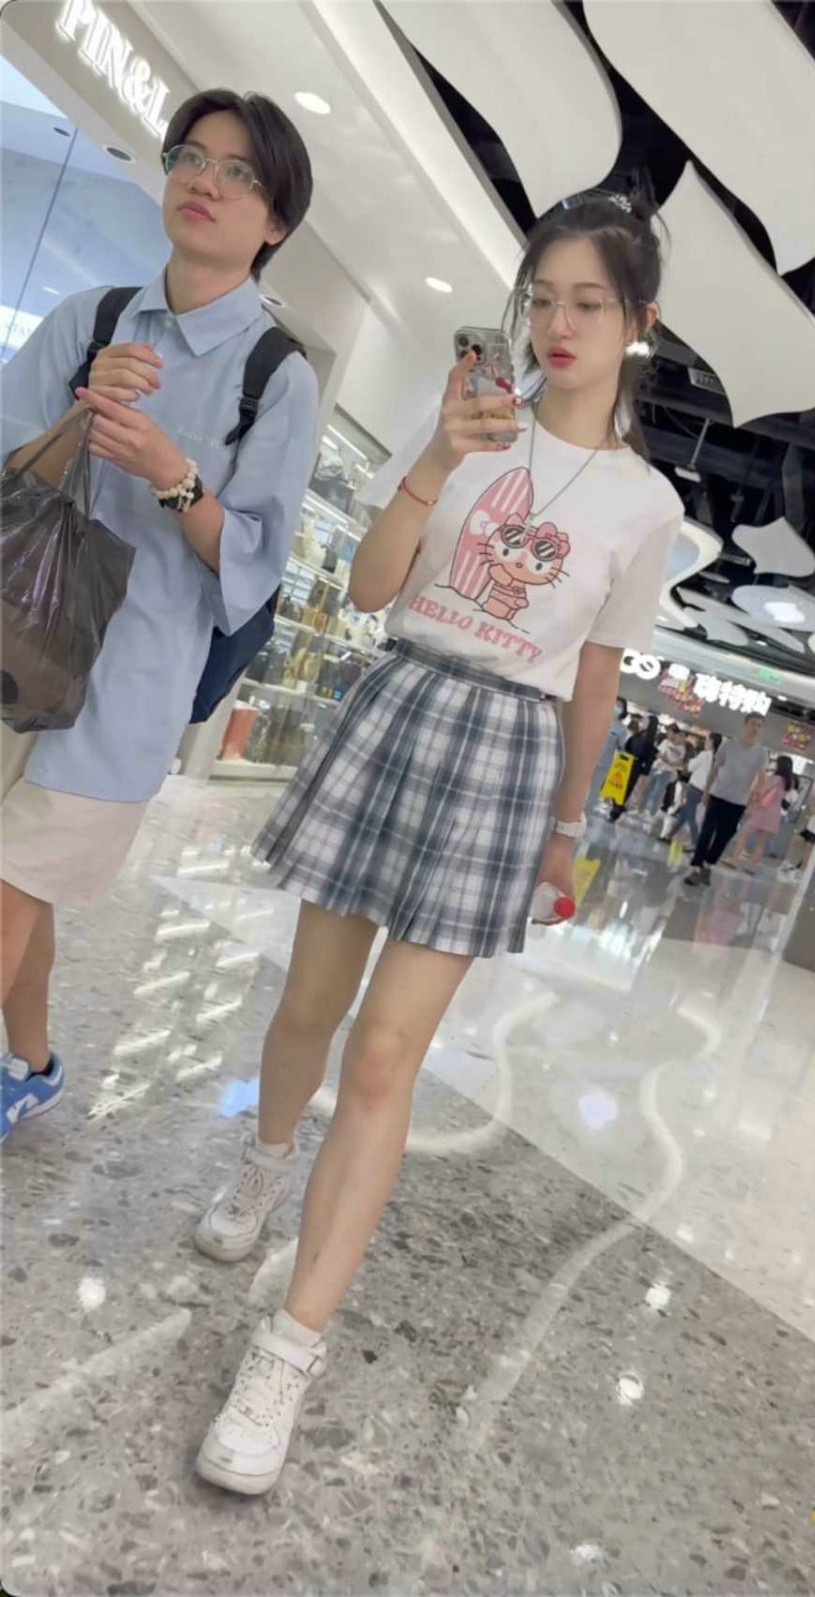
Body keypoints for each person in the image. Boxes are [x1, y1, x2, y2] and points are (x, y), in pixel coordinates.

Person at [191, 190, 684, 1496]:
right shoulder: (469, 420)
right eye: (543, 297)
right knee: (309, 1006)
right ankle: (264, 1165)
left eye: (590, 302)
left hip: (510, 751)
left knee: (387, 1051)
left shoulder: (647, 504)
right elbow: (368, 589)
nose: (559, 324)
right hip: (401, 699)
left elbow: (595, 677)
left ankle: (289, 1350)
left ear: (638, 321)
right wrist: (430, 464)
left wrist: (568, 831)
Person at [0, 90, 318, 1142]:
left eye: (240, 173)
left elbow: (252, 568)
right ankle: (30, 1064)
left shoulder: (277, 377)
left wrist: (177, 476)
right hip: (11, 649)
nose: (205, 182)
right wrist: (80, 411)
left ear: (275, 221)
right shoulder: (88, 321)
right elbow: (6, 471)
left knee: (11, 890)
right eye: (191, 156)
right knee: (17, 888)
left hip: (121, 690)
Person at [684, 713, 769, 886]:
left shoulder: (761, 753)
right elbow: (715, 769)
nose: (755, 728)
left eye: (759, 725)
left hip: (738, 802)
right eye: (753, 724)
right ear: (746, 724)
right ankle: (696, 868)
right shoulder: (728, 745)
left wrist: (754, 801)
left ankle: (708, 865)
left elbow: (761, 778)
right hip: (718, 794)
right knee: (707, 831)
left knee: (723, 836)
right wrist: (706, 791)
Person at [727, 754, 795, 873]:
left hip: (762, 811)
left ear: (780, 765)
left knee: (744, 835)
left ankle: (734, 860)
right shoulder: (789, 782)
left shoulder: (774, 778)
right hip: (775, 814)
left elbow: (761, 792)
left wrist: (751, 805)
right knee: (761, 843)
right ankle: (752, 868)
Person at [664, 731, 721, 847]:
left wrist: (687, 763)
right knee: (684, 814)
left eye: (707, 739)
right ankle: (669, 836)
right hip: (703, 789)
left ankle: (696, 843)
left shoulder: (705, 755)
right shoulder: (716, 758)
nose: (705, 741)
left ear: (711, 741)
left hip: (695, 787)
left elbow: (690, 767)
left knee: (691, 816)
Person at [609, 714, 660, 823]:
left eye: (646, 721)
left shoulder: (649, 740)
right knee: (619, 787)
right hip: (627, 763)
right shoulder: (640, 734)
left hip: (635, 766)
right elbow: (628, 745)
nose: (643, 722)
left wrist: (644, 768)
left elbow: (649, 756)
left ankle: (615, 812)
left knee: (625, 789)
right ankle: (617, 808)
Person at [778, 785, 815, 880]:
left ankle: (800, 873)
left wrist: (812, 811)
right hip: (810, 829)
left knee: (807, 853)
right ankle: (788, 863)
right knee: (795, 841)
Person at [588, 694, 628, 812]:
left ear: (623, 711)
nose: (616, 708)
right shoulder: (600, 719)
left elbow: (622, 748)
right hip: (588, 759)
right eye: (615, 704)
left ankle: (585, 813)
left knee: (594, 791)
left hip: (603, 765)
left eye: (619, 706)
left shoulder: (621, 729)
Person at [640, 722, 687, 817]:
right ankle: (641, 808)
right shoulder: (665, 742)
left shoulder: (681, 748)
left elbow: (679, 762)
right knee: (647, 788)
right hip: (656, 767)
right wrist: (662, 757)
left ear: (675, 733)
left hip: (667, 771)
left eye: (670, 732)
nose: (668, 734)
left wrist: (668, 760)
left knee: (658, 791)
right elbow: (657, 753)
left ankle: (651, 812)